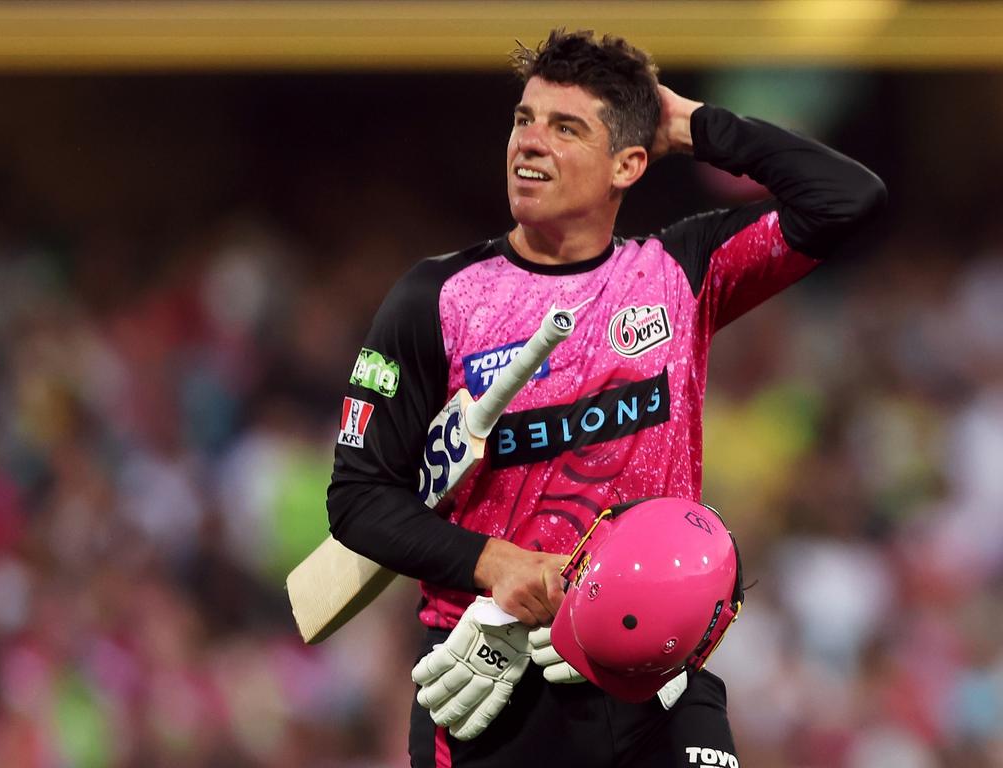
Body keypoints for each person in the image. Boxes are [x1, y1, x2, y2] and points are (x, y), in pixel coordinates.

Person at [327, 28, 885, 768]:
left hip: (655, 675)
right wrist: (494, 561)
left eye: (566, 128)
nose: (530, 143)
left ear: (628, 162)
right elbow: (359, 499)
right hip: (493, 679)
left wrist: (692, 127)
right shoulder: (435, 299)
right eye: (524, 119)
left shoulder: (682, 271)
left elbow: (848, 198)